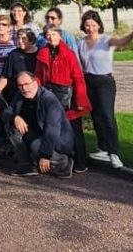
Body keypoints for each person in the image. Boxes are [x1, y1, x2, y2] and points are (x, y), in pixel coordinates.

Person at [78, 12, 133, 170]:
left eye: (93, 25)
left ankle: (114, 152)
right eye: (87, 25)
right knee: (96, 116)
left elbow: (122, 41)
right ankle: (103, 148)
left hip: (104, 81)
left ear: (99, 25)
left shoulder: (106, 40)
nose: (90, 28)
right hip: (88, 81)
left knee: (107, 115)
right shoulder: (81, 43)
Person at [35, 23, 91, 171]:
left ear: (60, 36)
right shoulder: (42, 53)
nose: (51, 37)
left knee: (74, 129)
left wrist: (80, 100)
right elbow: (38, 76)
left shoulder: (69, 54)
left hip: (67, 95)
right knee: (50, 126)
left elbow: (78, 77)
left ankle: (81, 162)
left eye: (53, 34)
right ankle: (58, 158)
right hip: (49, 93)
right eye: (48, 35)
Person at [4, 72, 75, 178]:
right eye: (20, 85)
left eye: (27, 84)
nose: (24, 88)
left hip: (57, 140)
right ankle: (26, 166)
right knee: (12, 127)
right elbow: (6, 112)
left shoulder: (49, 99)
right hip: (36, 134)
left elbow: (52, 129)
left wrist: (45, 155)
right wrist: (14, 117)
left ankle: (64, 163)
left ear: (36, 82)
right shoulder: (20, 95)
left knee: (36, 146)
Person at [0, 27, 40, 100]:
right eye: (18, 38)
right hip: (16, 95)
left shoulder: (40, 54)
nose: (19, 41)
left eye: (23, 38)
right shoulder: (14, 54)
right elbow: (5, 76)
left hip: (34, 94)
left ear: (31, 40)